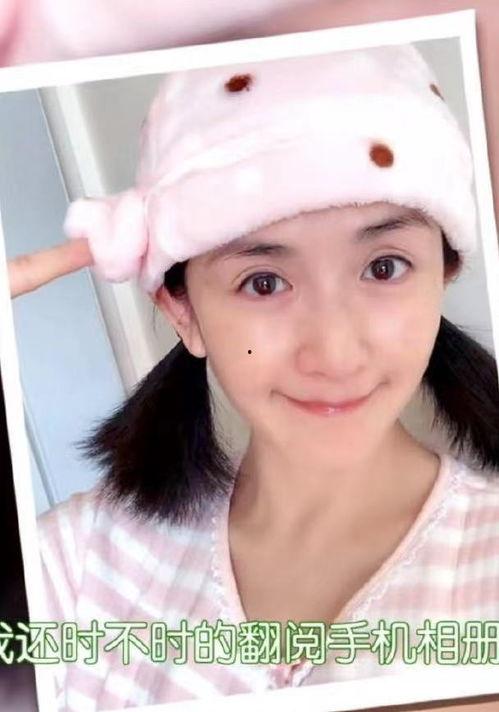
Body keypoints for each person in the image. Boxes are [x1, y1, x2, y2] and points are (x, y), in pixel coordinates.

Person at [29, 43, 499, 711]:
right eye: (264, 282)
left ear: (442, 275)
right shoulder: (74, 566)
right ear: (184, 313)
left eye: (384, 267)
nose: (335, 354)